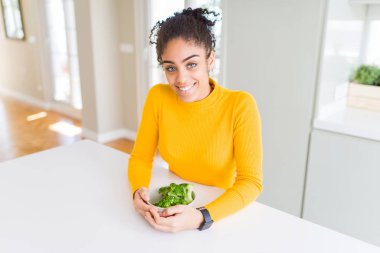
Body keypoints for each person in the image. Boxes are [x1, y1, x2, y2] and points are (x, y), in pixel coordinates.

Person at [128, 7, 263, 233]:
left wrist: (202, 216)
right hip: (173, 203)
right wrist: (138, 192)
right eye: (171, 68)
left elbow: (251, 182)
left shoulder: (240, 105)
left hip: (220, 213)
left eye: (191, 64)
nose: (181, 79)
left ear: (210, 59)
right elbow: (140, 158)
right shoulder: (158, 97)